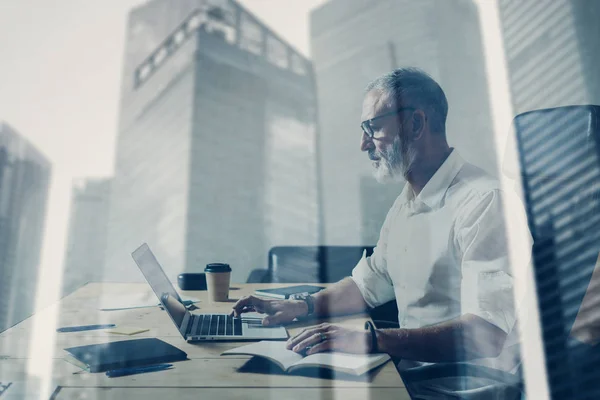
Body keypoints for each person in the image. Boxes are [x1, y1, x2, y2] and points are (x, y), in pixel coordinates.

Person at [232, 68, 531, 395]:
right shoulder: (407, 202)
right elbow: (369, 282)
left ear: (416, 124)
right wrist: (301, 306)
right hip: (410, 372)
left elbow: (486, 334)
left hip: (460, 388)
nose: (363, 145)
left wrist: (372, 340)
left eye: (372, 128)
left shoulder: (485, 202)